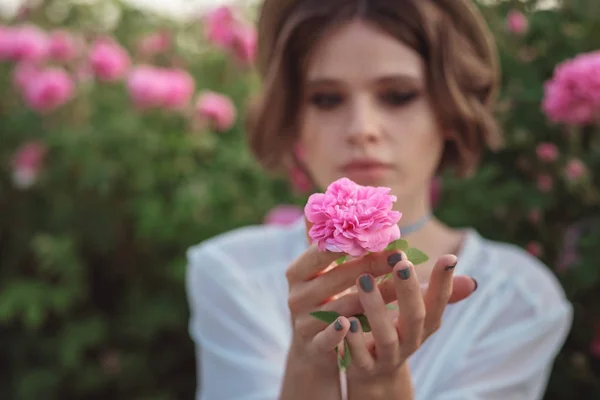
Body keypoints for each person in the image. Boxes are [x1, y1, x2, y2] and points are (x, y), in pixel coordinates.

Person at [185, 0, 573, 398]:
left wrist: (382, 385)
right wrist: (309, 364)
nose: (362, 129)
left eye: (399, 95)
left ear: (450, 111)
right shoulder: (232, 272)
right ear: (293, 118)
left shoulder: (519, 298)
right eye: (326, 98)